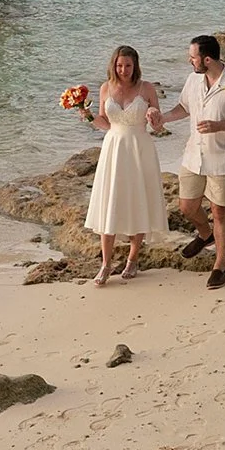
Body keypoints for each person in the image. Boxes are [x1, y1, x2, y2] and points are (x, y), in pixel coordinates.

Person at [155, 33, 225, 289]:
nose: (189, 61)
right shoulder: (193, 80)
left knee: (220, 212)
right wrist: (163, 118)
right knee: (186, 207)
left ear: (208, 59)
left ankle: (220, 266)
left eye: (193, 57)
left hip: (224, 158)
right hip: (194, 155)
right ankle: (205, 234)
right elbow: (184, 107)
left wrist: (219, 126)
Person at [82, 45, 165, 285]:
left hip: (140, 148)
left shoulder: (146, 88)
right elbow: (104, 123)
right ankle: (106, 264)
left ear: (135, 65)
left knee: (138, 199)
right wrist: (85, 115)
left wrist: (152, 115)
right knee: (109, 201)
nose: (124, 70)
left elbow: (158, 126)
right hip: (113, 148)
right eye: (119, 65)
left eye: (128, 65)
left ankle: (132, 259)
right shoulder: (105, 88)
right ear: (113, 65)